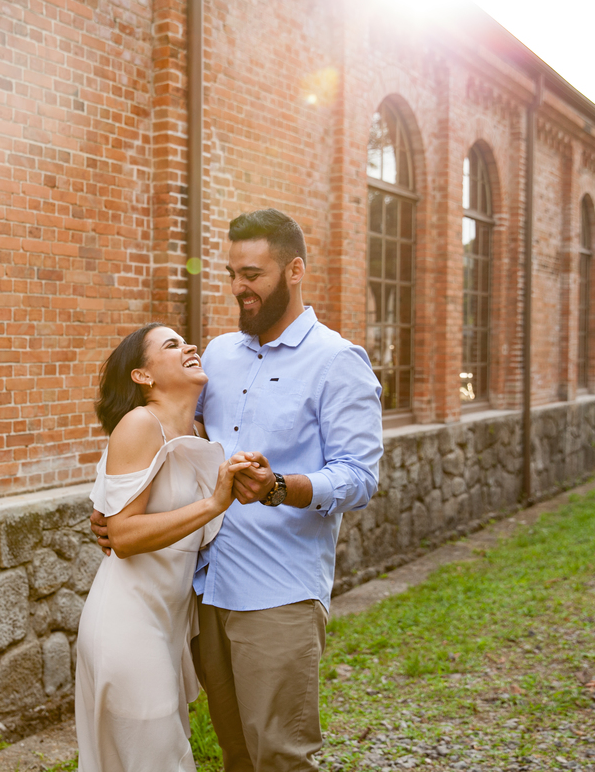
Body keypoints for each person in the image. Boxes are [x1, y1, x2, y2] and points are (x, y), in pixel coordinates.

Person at [90, 208, 384, 771]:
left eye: (253, 274)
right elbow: (159, 428)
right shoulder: (220, 354)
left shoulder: (338, 362)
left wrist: (280, 486)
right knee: (235, 755)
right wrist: (110, 506)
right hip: (204, 589)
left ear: (294, 270)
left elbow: (360, 477)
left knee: (281, 755)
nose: (239, 288)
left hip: (278, 591)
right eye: (232, 274)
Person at [75, 322, 254, 772]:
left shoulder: (197, 430)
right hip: (128, 623)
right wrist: (216, 502)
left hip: (169, 622)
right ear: (143, 376)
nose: (190, 346)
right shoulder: (139, 424)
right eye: (172, 345)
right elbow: (124, 535)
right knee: (158, 760)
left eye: (186, 341)